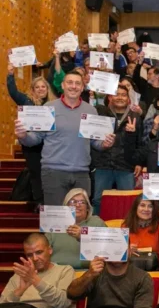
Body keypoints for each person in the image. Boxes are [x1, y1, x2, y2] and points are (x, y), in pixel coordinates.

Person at [15, 70, 115, 205]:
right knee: (55, 220)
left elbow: (94, 142)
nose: (73, 86)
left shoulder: (91, 110)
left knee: (80, 220)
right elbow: (35, 139)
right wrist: (23, 136)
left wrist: (105, 144)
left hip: (82, 174)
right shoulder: (49, 107)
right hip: (53, 173)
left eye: (77, 83)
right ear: (62, 85)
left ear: (82, 87)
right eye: (70, 82)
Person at [5, 60, 55, 204]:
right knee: (35, 172)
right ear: (32, 89)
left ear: (47, 88)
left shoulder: (54, 104)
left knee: (48, 174)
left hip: (49, 145)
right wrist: (10, 74)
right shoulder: (26, 101)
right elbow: (13, 91)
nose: (40, 89)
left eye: (43, 86)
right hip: (31, 145)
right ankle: (38, 201)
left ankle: (48, 200)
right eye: (37, 87)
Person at [91, 84, 143, 215]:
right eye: (116, 94)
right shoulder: (100, 113)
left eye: (123, 95)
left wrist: (139, 163)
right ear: (110, 97)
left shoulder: (135, 117)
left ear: (128, 99)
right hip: (103, 163)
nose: (120, 97)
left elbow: (141, 143)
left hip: (126, 165)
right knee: (98, 200)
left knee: (128, 201)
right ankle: (98, 227)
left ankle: (128, 229)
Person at [47, 188, 107, 269]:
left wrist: (84, 237)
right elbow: (43, 249)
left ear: (88, 207)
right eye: (73, 202)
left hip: (88, 271)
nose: (77, 205)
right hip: (57, 271)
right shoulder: (55, 224)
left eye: (82, 202)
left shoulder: (97, 223)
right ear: (65, 206)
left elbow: (107, 250)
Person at [123, 195, 159, 272]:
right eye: (142, 205)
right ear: (135, 208)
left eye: (150, 206)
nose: (146, 209)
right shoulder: (125, 226)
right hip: (133, 270)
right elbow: (120, 254)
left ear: (154, 209)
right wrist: (128, 251)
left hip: (158, 271)